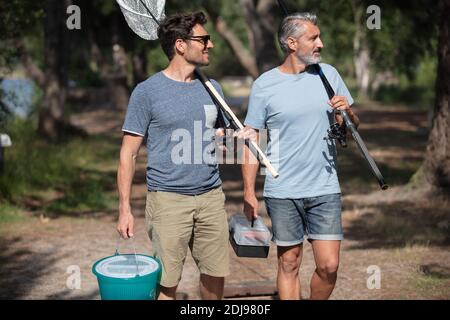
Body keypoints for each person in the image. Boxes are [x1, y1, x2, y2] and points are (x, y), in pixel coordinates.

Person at [241, 12, 360, 300]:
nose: (321, 43)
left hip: (324, 186)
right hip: (282, 189)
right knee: (289, 262)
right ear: (292, 43)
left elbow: (353, 126)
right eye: (313, 38)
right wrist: (249, 191)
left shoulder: (328, 75)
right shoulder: (265, 85)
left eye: (319, 37)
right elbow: (251, 139)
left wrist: (347, 113)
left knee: (329, 265)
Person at [116, 12, 230, 300]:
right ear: (181, 45)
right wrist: (125, 208)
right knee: (167, 281)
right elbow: (128, 154)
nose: (210, 45)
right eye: (203, 39)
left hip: (211, 197)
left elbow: (222, 140)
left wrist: (232, 141)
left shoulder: (213, 89)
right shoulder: (147, 92)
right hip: (167, 200)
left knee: (215, 274)